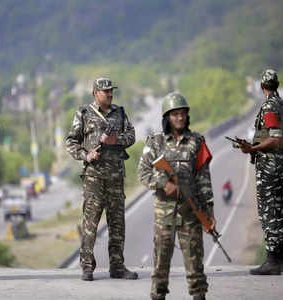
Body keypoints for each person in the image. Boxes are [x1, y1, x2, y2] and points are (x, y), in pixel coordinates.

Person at [138, 92, 215, 300]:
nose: (180, 118)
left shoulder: (197, 141)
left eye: (183, 114)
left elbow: (204, 179)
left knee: (196, 269)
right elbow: (143, 173)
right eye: (175, 115)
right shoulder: (155, 142)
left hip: (190, 215)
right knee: (160, 269)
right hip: (164, 216)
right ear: (167, 117)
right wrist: (164, 183)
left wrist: (209, 212)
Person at [66, 77, 138, 281]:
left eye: (111, 90)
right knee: (91, 223)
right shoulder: (84, 113)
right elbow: (71, 142)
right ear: (95, 93)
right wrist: (86, 155)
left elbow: (132, 135)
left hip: (116, 177)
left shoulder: (120, 113)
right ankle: (87, 267)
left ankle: (117, 266)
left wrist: (117, 140)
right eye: (105, 91)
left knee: (117, 223)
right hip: (94, 178)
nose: (109, 93)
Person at [238, 69, 283, 275]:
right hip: (279, 164)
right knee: (278, 210)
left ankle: (272, 261)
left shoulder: (270, 106)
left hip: (268, 168)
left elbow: (274, 136)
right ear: (277, 85)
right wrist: (279, 151)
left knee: (268, 211)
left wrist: (252, 149)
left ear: (262, 87)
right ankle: (281, 260)